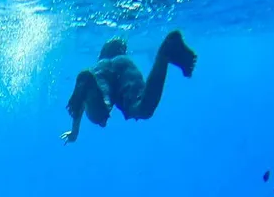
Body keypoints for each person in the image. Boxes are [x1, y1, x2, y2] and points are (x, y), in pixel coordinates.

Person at [61, 30, 197, 144]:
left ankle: (99, 96)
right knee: (143, 108)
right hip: (124, 69)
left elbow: (80, 107)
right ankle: (165, 53)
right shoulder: (124, 60)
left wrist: (74, 131)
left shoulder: (99, 65)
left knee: (99, 113)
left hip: (99, 75)